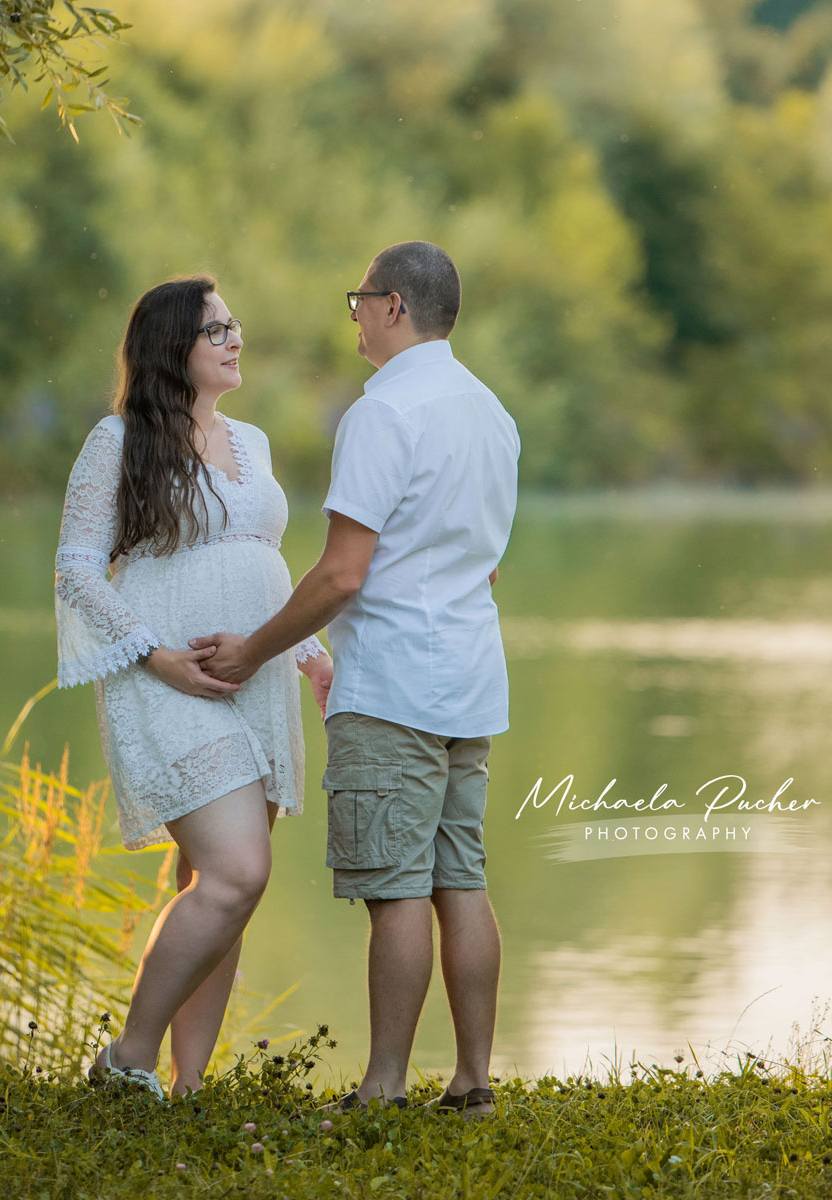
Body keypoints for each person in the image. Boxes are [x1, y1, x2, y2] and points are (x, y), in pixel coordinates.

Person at [192, 241, 520, 1118]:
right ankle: (473, 1081)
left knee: (396, 888)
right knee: (460, 876)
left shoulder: (383, 414)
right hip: (470, 684)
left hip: (395, 686)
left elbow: (343, 572)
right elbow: (484, 563)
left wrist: (255, 650)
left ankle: (382, 1089)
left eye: (360, 301)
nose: (356, 318)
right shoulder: (491, 413)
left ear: (394, 307)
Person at [53, 275, 332, 1099]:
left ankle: (187, 1090)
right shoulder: (118, 440)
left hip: (258, 677)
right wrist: (156, 656)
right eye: (216, 330)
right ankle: (125, 1061)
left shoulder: (254, 442)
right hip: (169, 678)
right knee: (237, 872)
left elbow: (263, 562)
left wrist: (310, 652)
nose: (235, 339)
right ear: (172, 347)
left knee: (214, 890)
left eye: (235, 325)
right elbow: (76, 569)